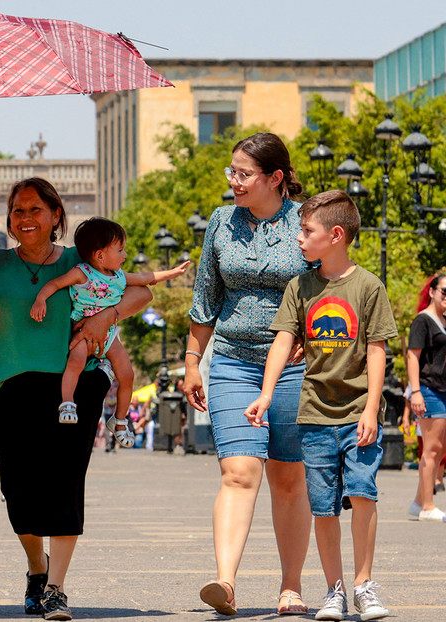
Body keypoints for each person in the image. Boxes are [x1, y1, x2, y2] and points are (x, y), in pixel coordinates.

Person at [0, 177, 151, 621]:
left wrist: (106, 316)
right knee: (16, 490)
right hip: (17, 387)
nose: (26, 218)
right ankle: (36, 568)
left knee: (65, 482)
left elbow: (143, 291)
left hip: (75, 384)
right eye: (18, 210)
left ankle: (56, 589)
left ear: (56, 215)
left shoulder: (84, 258)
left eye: (36, 209)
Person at [245, 189, 396, 620]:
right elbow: (284, 341)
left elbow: (376, 352)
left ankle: (364, 584)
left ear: (334, 235)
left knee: (363, 495)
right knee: (323, 506)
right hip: (313, 415)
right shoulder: (300, 286)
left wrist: (371, 408)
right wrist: (267, 393)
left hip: (357, 414)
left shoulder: (368, 286)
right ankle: (335, 589)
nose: (298, 237)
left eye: (306, 231)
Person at [183, 132, 313, 616]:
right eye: (231, 172)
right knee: (238, 471)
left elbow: (331, 286)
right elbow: (205, 298)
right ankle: (225, 582)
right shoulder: (221, 222)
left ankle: (291, 587)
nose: (234, 182)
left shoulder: (307, 223)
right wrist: (194, 362)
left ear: (275, 178)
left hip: (297, 370)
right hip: (234, 362)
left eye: (243, 174)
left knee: (287, 478)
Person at [31, 217, 187, 445]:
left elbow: (147, 279)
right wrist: (40, 300)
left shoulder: (120, 277)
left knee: (127, 374)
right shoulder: (81, 273)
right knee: (75, 361)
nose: (125, 255)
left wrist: (171, 273)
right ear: (100, 255)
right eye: (121, 250)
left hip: (110, 332)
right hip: (83, 329)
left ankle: (120, 420)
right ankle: (67, 402)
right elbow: (55, 284)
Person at [405, 274, 446, 523]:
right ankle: (428, 506)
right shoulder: (423, 320)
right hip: (429, 390)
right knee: (431, 450)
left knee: (438, 449)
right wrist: (416, 392)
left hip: (442, 390)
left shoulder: (443, 321)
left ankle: (419, 502)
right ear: (431, 291)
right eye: (444, 291)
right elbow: (412, 356)